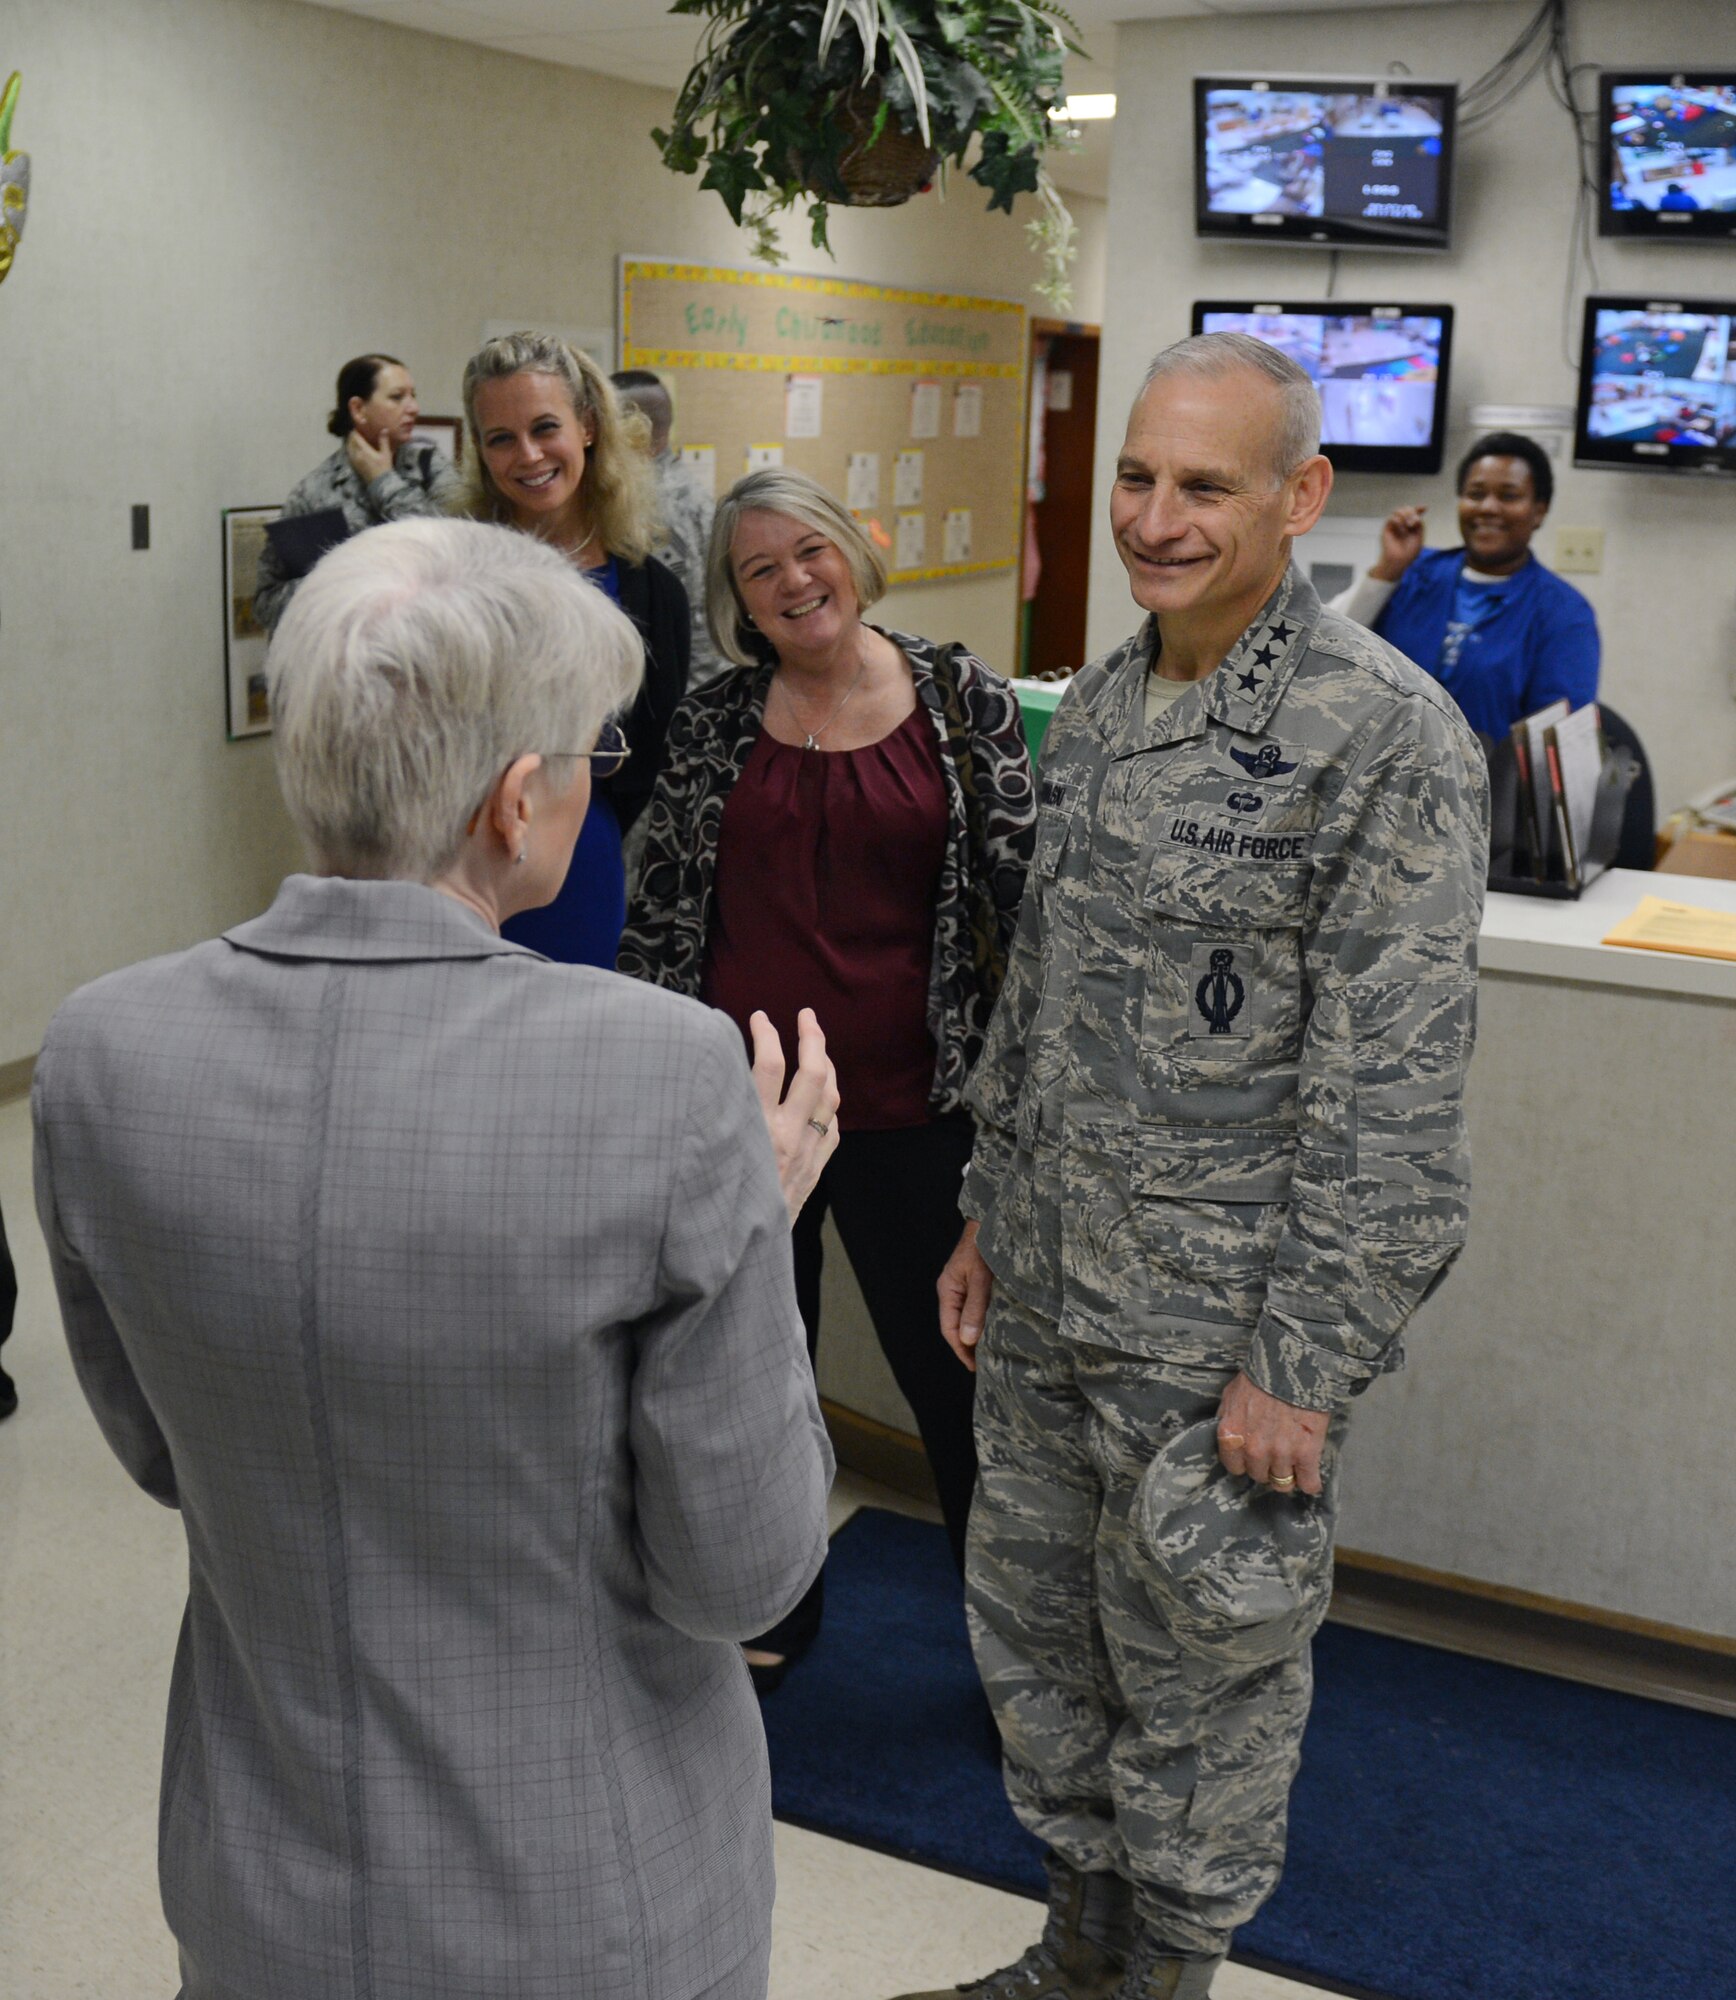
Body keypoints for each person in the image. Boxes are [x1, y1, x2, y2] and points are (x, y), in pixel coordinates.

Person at [33, 517, 839, 2000]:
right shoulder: (664, 1084)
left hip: (256, 1878)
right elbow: (741, 1570)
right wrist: (751, 1220)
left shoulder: (99, 1053)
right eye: (593, 757)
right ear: (516, 800)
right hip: (586, 1903)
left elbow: (166, 1453)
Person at [900, 332, 1487, 2000]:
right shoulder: (1097, 695)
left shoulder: (1382, 738)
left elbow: (1395, 1097)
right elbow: (1041, 991)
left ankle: (1158, 1980)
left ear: (1301, 496)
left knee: (1201, 1685)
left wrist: (1298, 1366)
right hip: (1048, 1291)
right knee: (1044, 1646)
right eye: (1138, 478)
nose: (1153, 517)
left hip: (1216, 1336)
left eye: (1202, 486)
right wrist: (985, 1218)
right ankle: (1071, 1959)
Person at [619, 468, 1035, 1689]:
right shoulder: (708, 720)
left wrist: (1020, 1121)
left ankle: (1012, 1653)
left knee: (960, 1394)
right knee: (755, 1381)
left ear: (854, 551)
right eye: (760, 570)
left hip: (920, 1109)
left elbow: (1025, 921)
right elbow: (659, 916)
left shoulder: (961, 696)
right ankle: (770, 1610)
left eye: (810, 551)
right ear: (737, 603)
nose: (795, 581)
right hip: (744, 1114)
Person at [461, 332, 690, 966]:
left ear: (587, 426)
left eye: (544, 427)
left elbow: (654, 751)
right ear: (479, 452)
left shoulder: (652, 590)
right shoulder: (453, 575)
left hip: (583, 857)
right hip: (458, 859)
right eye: (500, 438)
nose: (528, 455)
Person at [1330, 429, 1599, 738]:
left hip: (1490, 782)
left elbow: (1558, 741)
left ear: (1539, 510)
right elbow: (1331, 642)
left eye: (1508, 496)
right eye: (1476, 494)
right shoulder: (1414, 570)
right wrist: (1388, 569)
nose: (1488, 507)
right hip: (1379, 771)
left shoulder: (1563, 612)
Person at [253, 352, 462, 630]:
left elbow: (453, 553)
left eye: (413, 395)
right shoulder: (315, 493)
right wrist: (344, 583)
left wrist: (383, 480)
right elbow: (268, 605)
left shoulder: (430, 467)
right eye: (398, 397)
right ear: (358, 409)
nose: (414, 407)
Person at [611, 367, 727, 692]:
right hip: (708, 684)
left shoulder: (647, 507)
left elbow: (673, 619)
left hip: (683, 696)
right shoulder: (694, 492)